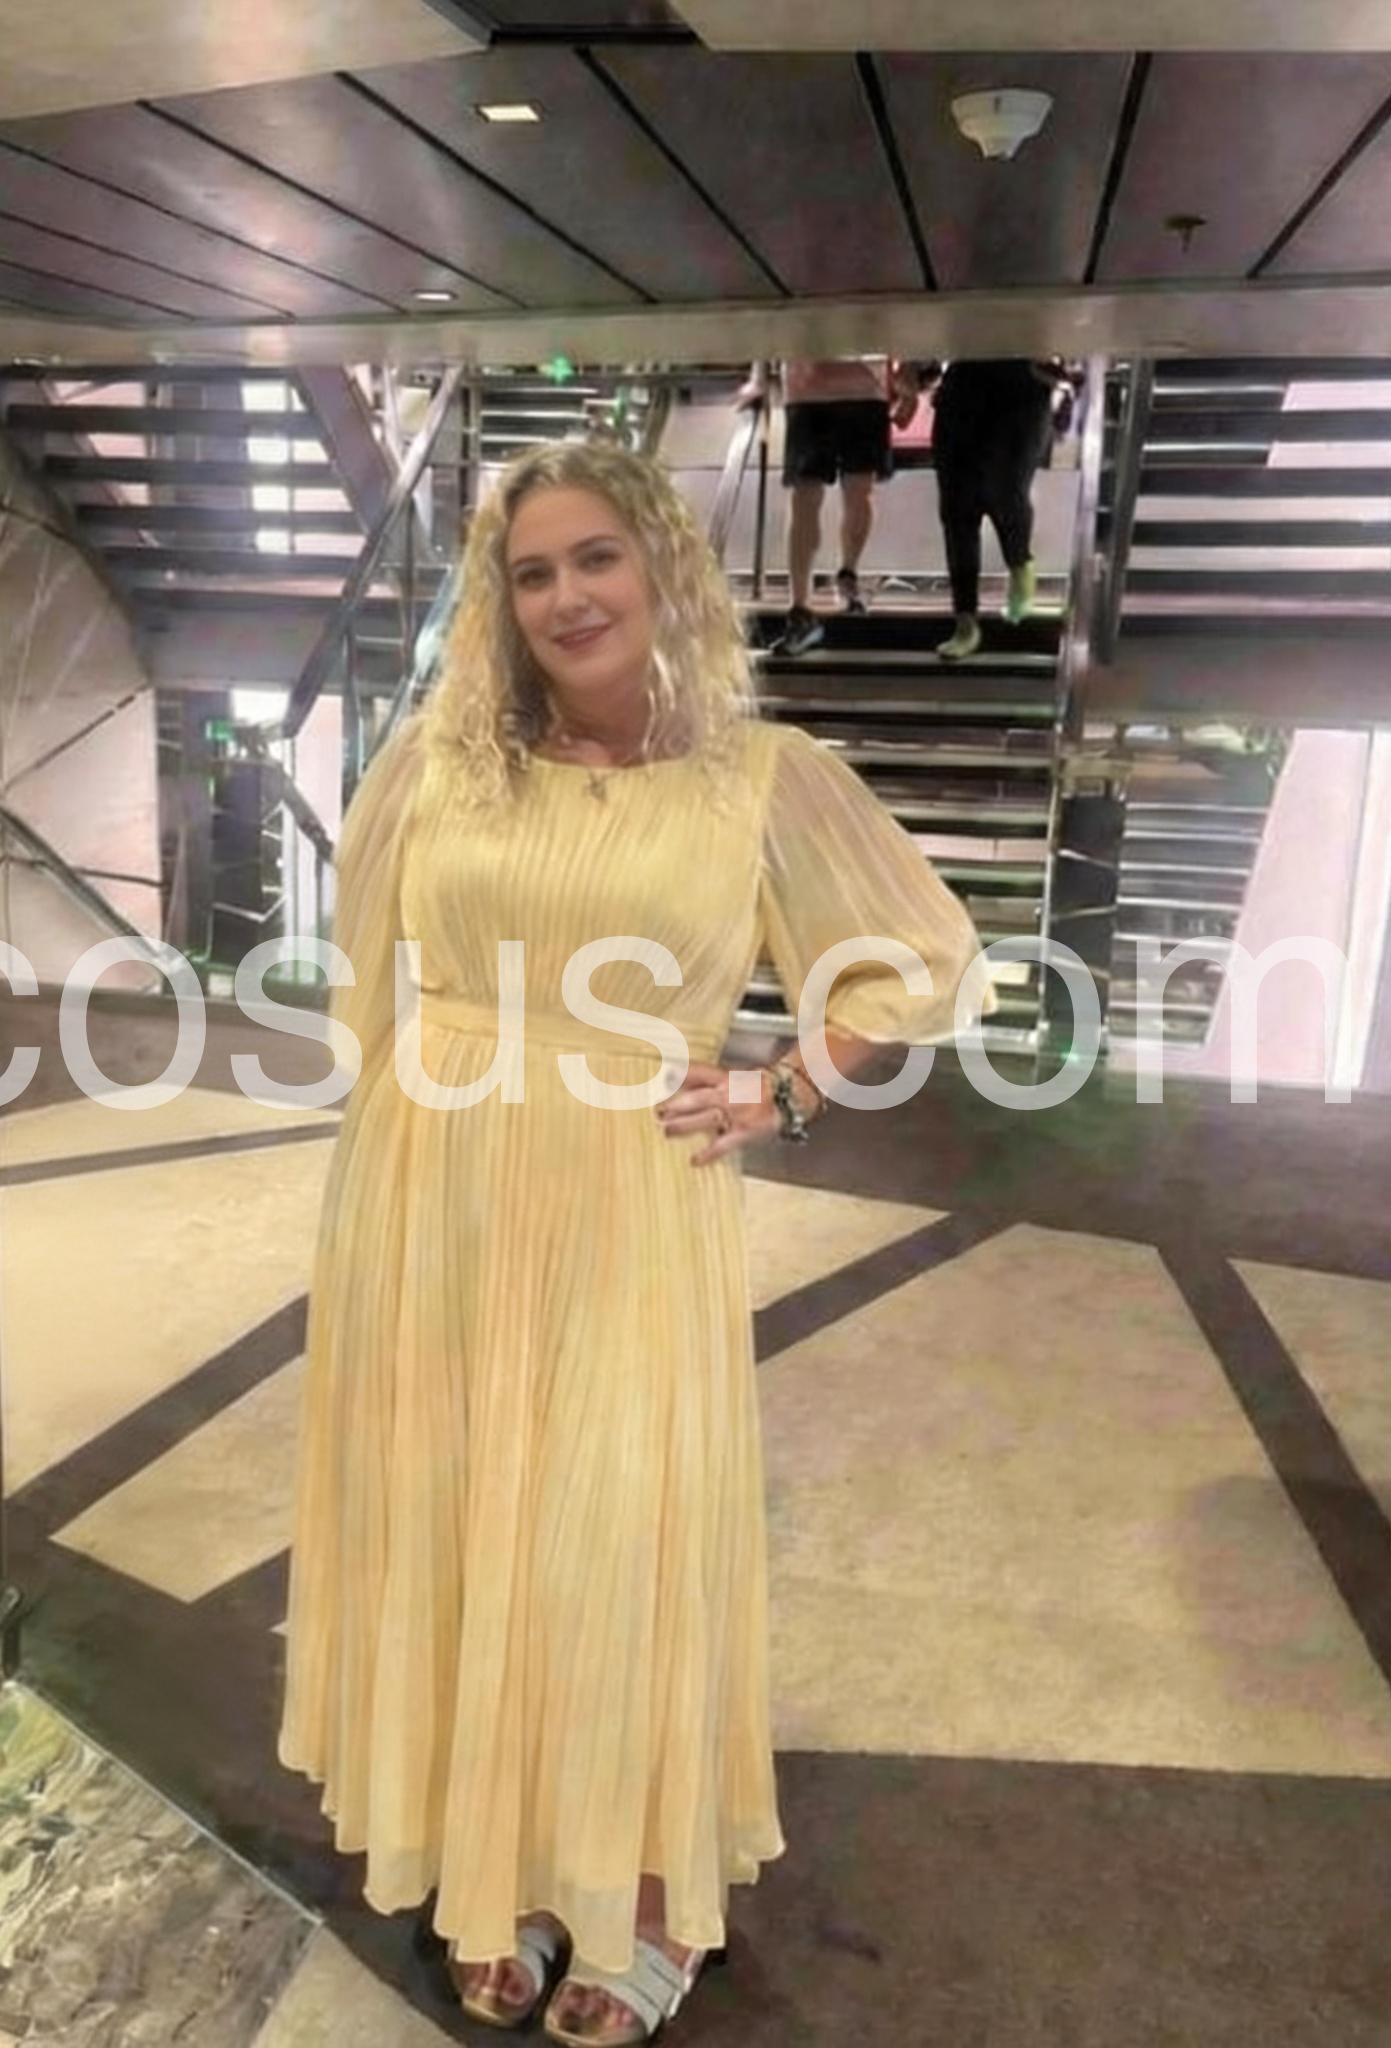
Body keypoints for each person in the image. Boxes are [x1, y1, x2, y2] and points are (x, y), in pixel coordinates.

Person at [277, 439, 984, 2043]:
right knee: (467, 1514)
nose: (566, 596)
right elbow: (367, 986)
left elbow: (921, 955)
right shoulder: (437, 764)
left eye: (596, 556)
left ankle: (642, 1891)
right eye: (531, 572)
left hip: (629, 1193)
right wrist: (388, 1176)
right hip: (433, 1189)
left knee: (614, 1522)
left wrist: (786, 1085)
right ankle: (510, 1870)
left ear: (663, 565)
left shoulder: (763, 776)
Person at [739, 359, 919, 657]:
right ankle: (802, 606)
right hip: (813, 389)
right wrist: (758, 378)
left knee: (851, 492)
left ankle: (845, 576)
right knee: (809, 496)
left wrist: (908, 376)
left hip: (857, 388)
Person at [921, 357, 1072, 662]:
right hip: (962, 387)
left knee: (1007, 493)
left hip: (1022, 389)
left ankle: (1020, 562)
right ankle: (965, 622)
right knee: (957, 510)